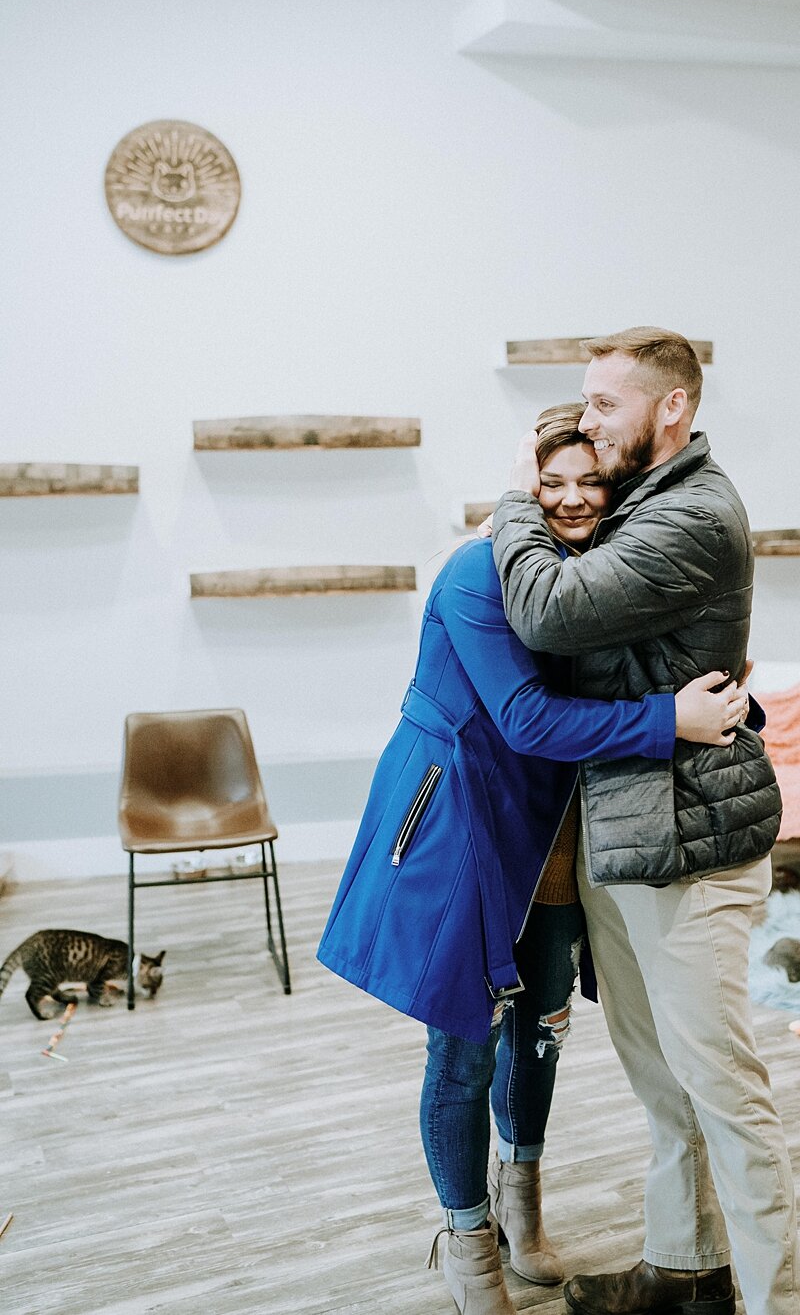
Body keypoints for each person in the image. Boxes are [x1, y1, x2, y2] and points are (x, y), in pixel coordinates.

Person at [317, 404, 752, 1315]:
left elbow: (640, 664)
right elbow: (524, 720)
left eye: (590, 480)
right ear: (524, 486)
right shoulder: (478, 575)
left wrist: (730, 704)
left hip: (553, 837)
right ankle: (468, 1241)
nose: (572, 499)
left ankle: (523, 1211)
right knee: (464, 1043)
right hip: (461, 820)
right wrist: (669, 720)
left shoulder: (594, 578)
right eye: (550, 483)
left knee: (541, 1030)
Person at [491, 330, 800, 1315]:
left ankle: (774, 1301)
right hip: (622, 833)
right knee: (659, 1080)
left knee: (723, 1093)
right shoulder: (638, 498)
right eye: (581, 404)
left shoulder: (695, 518)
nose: (586, 422)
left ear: (670, 408)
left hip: (689, 845)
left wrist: (511, 496)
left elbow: (547, 609)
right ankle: (683, 1268)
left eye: (601, 404)